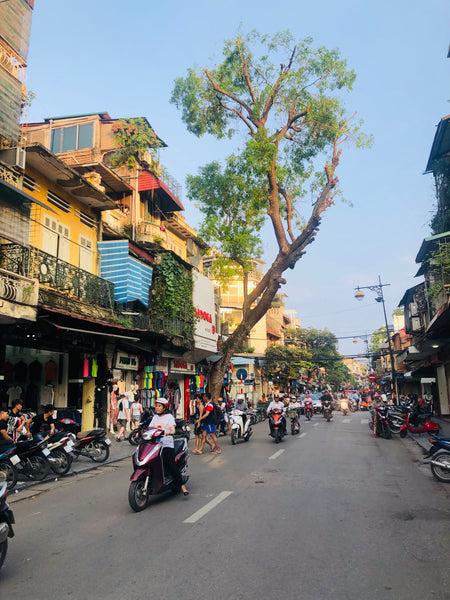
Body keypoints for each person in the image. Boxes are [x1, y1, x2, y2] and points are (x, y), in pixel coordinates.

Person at [149, 398, 189, 496]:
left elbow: (173, 430)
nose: (157, 408)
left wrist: (169, 432)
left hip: (167, 444)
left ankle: (182, 486)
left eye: (159, 406)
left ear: (164, 407)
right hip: (155, 445)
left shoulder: (169, 417)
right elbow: (150, 428)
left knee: (171, 464)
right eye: (156, 406)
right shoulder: (154, 418)